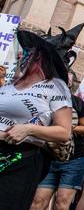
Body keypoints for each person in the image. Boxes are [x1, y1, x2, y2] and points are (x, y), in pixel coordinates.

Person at [0, 30, 72, 210]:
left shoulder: (55, 87)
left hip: (21, 159)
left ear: (40, 57)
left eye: (29, 52)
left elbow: (64, 132)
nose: (24, 55)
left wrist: (28, 129)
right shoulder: (9, 86)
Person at [31, 71, 84, 210]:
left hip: (74, 160)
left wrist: (66, 127)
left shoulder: (76, 102)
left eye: (66, 81)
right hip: (49, 158)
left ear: (70, 84)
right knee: (38, 202)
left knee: (62, 203)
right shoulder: (44, 100)